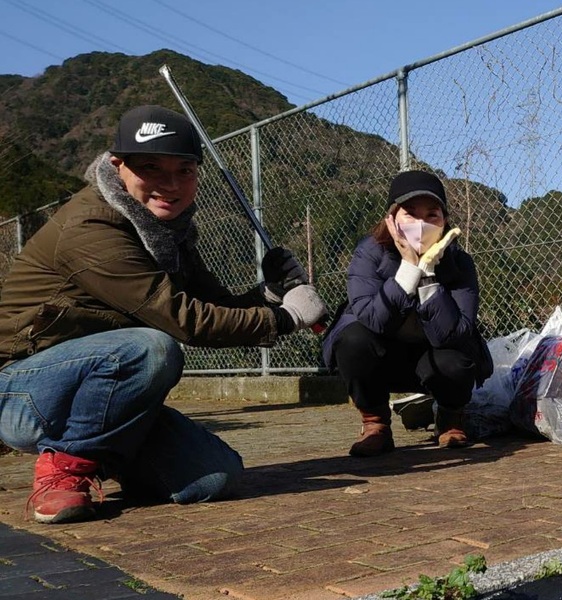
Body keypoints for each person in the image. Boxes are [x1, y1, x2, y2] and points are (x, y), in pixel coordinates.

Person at [0, 105, 327, 524]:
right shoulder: (92, 227)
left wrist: (270, 295)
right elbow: (184, 320)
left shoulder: (168, 233)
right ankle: (65, 470)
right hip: (24, 391)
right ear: (118, 166)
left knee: (213, 477)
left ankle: (106, 452)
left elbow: (216, 305)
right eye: (150, 168)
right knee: (149, 348)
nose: (170, 185)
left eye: (184, 171)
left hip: (102, 397)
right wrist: (287, 318)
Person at [322, 170, 491, 457]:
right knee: (353, 340)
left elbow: (454, 333)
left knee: (458, 358)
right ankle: (375, 424)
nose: (420, 224)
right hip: (383, 355)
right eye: (410, 214)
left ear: (445, 221)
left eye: (432, 215)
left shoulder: (460, 262)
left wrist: (428, 277)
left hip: (433, 356)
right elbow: (373, 319)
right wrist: (409, 271)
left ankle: (450, 418)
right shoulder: (369, 253)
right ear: (391, 219)